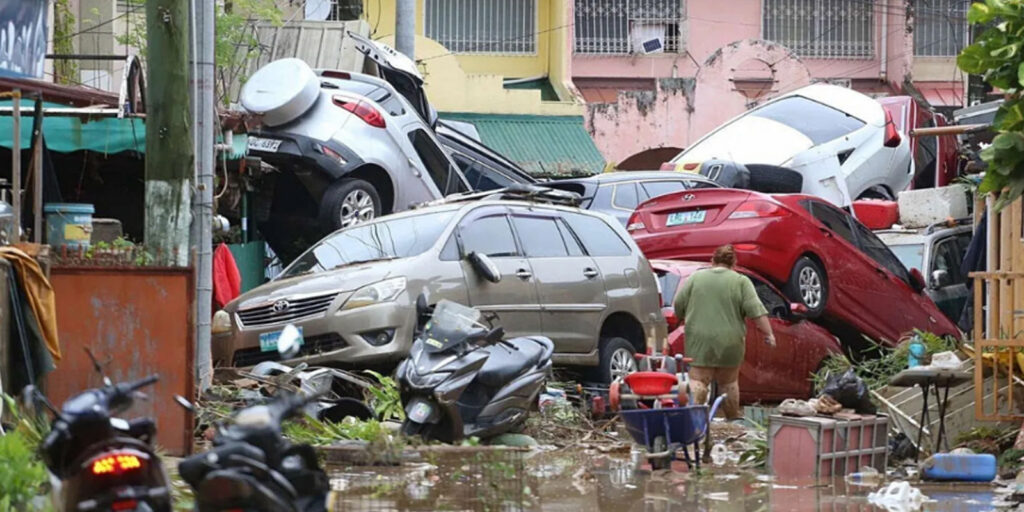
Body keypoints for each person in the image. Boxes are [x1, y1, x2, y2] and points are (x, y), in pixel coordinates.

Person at [673, 244, 775, 421]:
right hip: (730, 340)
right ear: (733, 263)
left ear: (712, 260)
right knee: (728, 383)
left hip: (699, 339)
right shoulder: (741, 281)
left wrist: (682, 317)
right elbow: (756, 310)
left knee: (698, 380)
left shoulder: (695, 278)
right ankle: (732, 421)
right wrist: (769, 334)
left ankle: (695, 420)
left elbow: (678, 305)